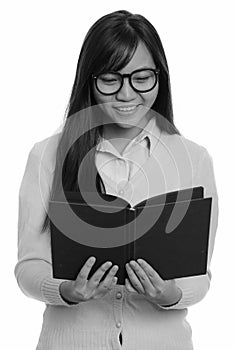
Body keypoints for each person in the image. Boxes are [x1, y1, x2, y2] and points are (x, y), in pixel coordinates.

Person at [14, 9, 219, 350]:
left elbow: (199, 276)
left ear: (160, 77)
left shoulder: (193, 158)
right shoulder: (47, 155)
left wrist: (169, 294)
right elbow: (28, 266)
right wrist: (66, 291)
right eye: (111, 79)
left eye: (142, 78)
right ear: (89, 80)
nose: (127, 95)